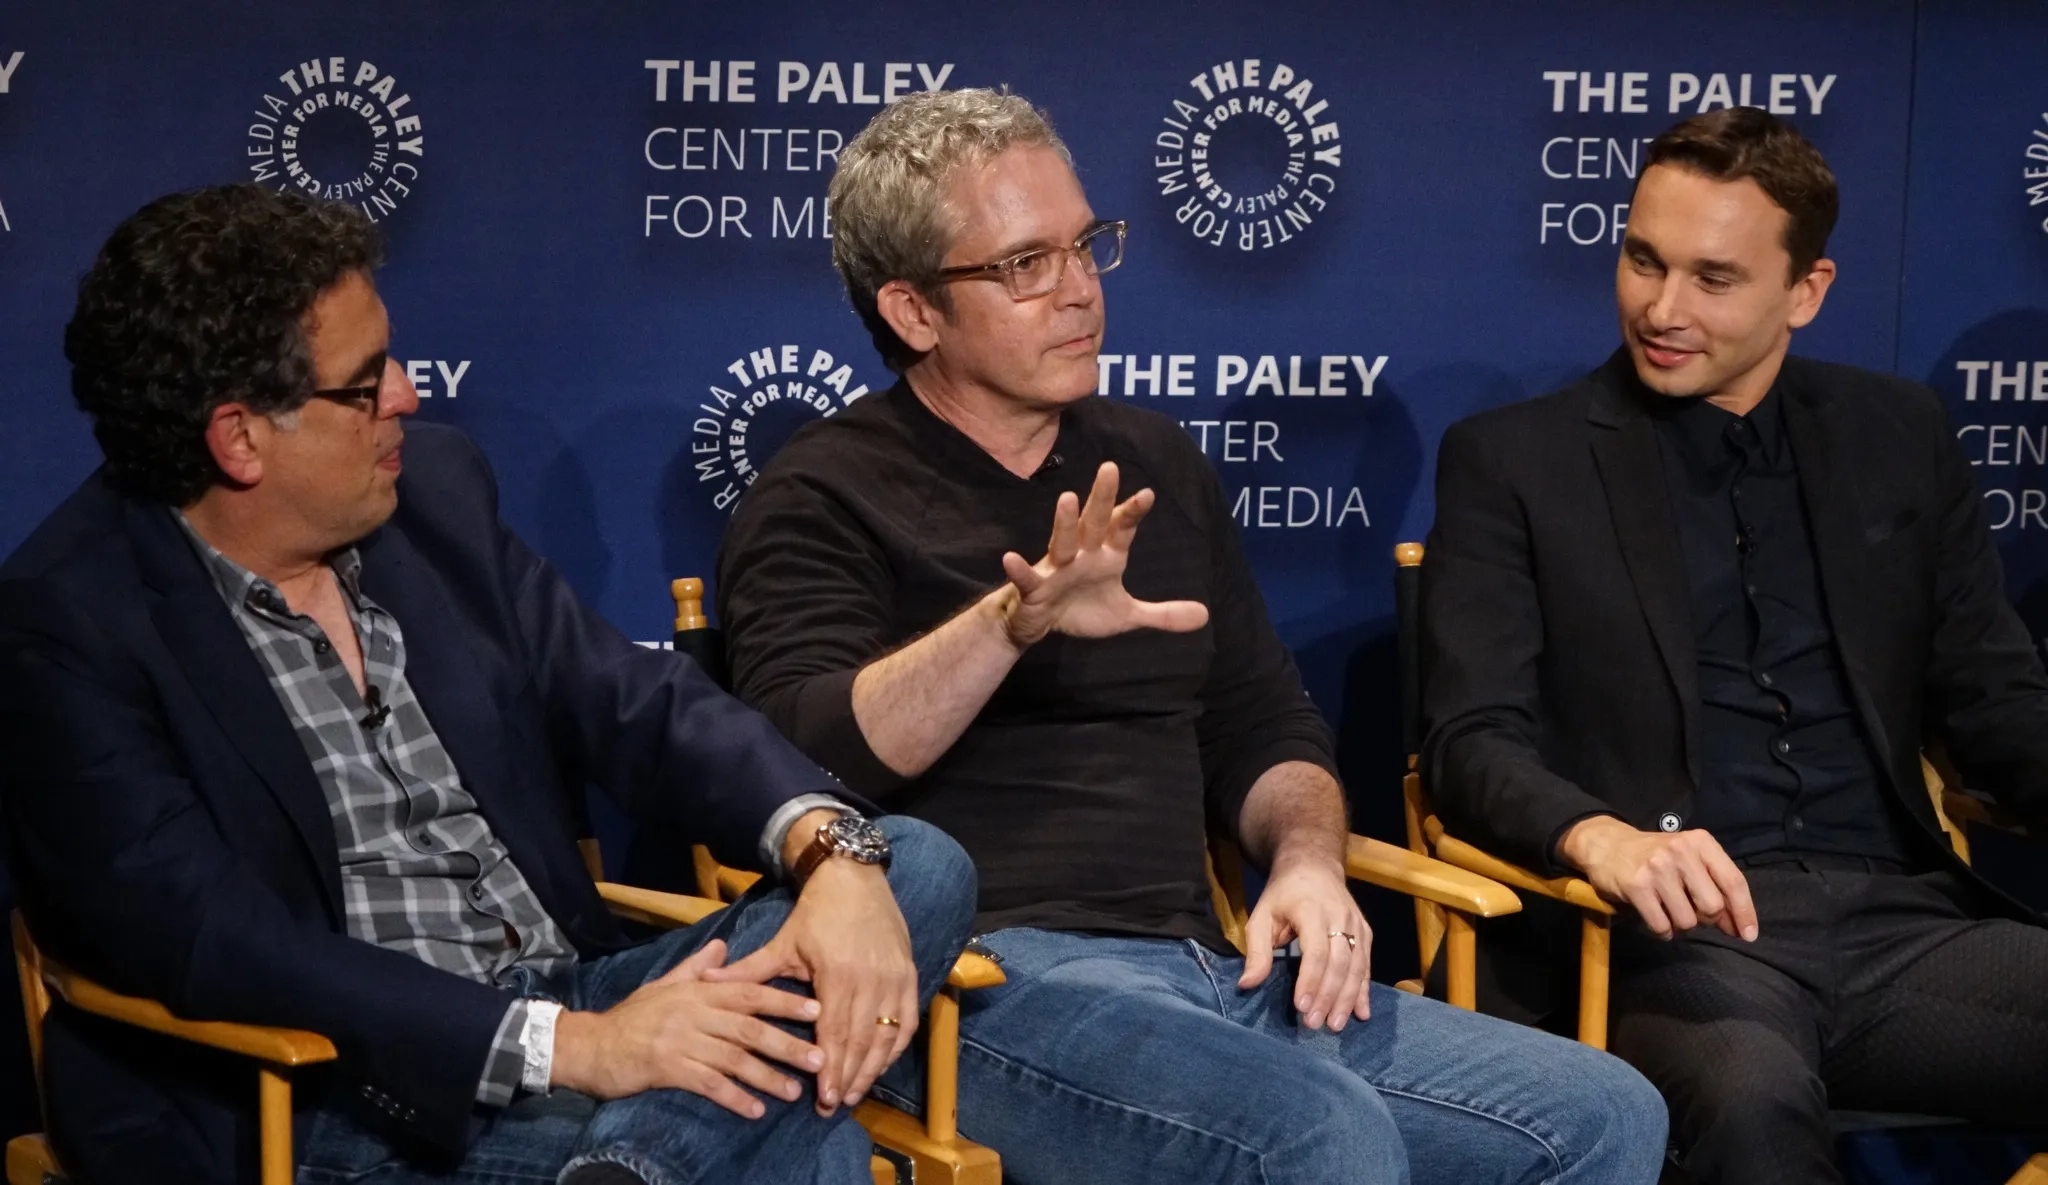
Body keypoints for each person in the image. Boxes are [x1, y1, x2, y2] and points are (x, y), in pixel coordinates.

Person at [715, 88, 1667, 1185]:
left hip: (1213, 971)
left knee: (1605, 1113)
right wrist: (1010, 622)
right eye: (1024, 265)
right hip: (977, 987)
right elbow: (808, 759)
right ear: (913, 311)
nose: (1079, 291)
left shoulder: (1153, 459)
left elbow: (1261, 721)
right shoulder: (820, 494)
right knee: (1319, 1138)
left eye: (1085, 246)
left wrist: (1305, 864)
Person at [0, 184, 977, 1185]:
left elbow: (634, 702)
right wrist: (579, 1050)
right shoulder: (68, 620)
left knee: (917, 862)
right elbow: (215, 938)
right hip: (343, 1080)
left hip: (587, 988)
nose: (408, 396)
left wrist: (835, 857)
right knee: (815, 1145)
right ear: (240, 437)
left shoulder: (431, 493)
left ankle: (639, 1165)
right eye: (364, 382)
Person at [1421, 107, 2048, 1184]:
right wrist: (1600, 836)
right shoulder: (1513, 462)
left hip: (1905, 929)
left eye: (1711, 279)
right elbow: (1468, 742)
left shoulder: (1897, 437)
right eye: (1640, 260)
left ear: (1804, 292)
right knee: (1748, 1103)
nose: (1659, 310)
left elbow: (1993, 701)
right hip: (1668, 943)